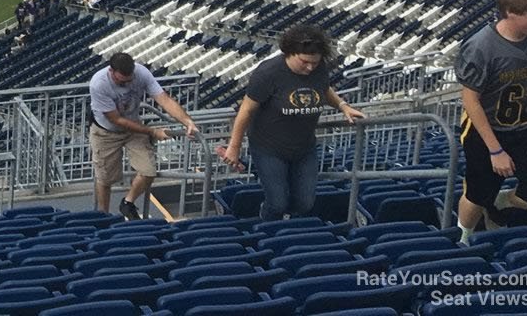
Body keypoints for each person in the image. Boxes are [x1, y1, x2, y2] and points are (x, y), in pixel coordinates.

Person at [217, 24, 364, 219]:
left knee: (305, 202)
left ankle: (290, 230)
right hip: (269, 147)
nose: (310, 67)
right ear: (289, 53)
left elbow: (324, 89)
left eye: (314, 62)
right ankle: (267, 224)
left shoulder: (318, 69)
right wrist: (234, 147)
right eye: (304, 62)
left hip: (304, 147)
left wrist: (343, 106)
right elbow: (246, 110)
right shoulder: (268, 73)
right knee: (277, 202)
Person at [456, 0, 527, 237]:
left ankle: (502, 201)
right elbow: (471, 100)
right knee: (478, 194)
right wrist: (495, 150)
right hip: (489, 129)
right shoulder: (481, 47)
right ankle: (463, 237)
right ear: (511, 14)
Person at [88, 50, 202, 219]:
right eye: (121, 81)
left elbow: (163, 99)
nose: (126, 84)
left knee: (148, 170)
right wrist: (153, 132)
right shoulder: (99, 83)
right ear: (111, 71)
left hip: (133, 128)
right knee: (105, 179)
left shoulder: (141, 73)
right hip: (106, 132)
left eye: (129, 80)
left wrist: (187, 121)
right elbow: (116, 120)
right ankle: (103, 215)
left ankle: (128, 202)